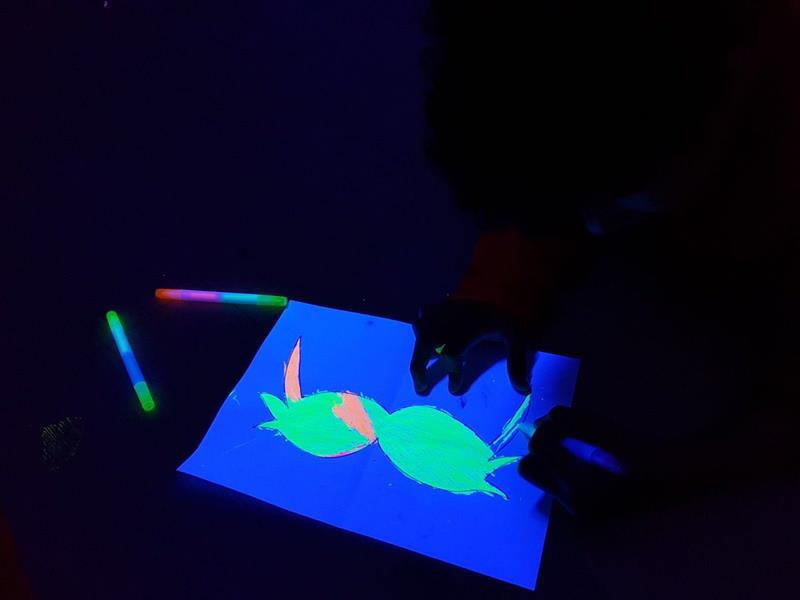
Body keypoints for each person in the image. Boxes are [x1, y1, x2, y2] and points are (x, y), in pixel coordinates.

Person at [411, 0, 799, 519]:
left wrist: (671, 470)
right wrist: (498, 289)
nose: (593, 228)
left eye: (620, 197)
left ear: (725, 89)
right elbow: (555, 158)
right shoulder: (623, 112)